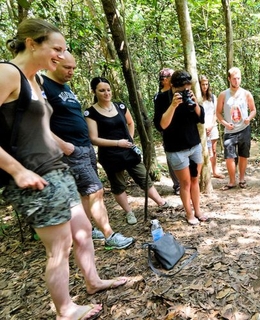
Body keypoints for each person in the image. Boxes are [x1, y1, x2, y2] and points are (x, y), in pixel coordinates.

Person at [0, 18, 126, 320]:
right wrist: (17, 171)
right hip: (33, 175)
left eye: (64, 49)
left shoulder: (38, 80)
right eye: (56, 48)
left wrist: (62, 145)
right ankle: (65, 309)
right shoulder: (7, 73)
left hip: (57, 167)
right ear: (32, 44)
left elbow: (38, 126)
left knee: (83, 232)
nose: (60, 55)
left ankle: (93, 281)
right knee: (60, 246)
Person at [43, 51, 134, 249]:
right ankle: (109, 236)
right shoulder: (43, 85)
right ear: (53, 63)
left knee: (86, 193)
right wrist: (64, 146)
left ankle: (87, 229)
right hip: (71, 150)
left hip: (84, 148)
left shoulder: (64, 87)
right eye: (67, 67)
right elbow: (36, 123)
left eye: (73, 68)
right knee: (96, 191)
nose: (71, 72)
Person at [85, 77, 170, 225]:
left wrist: (129, 139)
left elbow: (130, 123)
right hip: (110, 155)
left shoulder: (120, 106)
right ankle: (129, 212)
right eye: (102, 90)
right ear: (94, 92)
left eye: (108, 90)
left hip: (129, 151)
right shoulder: (90, 113)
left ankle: (161, 202)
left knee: (143, 177)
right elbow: (94, 138)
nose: (106, 93)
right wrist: (118, 143)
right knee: (118, 185)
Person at [153, 70, 206, 225]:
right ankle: (188, 213)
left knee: (195, 180)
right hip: (176, 149)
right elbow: (161, 125)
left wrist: (195, 102)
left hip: (194, 145)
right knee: (185, 183)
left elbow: (201, 118)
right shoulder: (162, 99)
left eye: (187, 88)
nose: (184, 92)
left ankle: (198, 210)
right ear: (173, 86)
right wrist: (173, 105)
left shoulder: (190, 94)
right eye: (181, 89)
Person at [216, 67, 256, 190]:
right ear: (229, 79)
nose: (236, 81)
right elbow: (218, 113)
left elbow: (253, 110)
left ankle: (242, 179)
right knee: (229, 156)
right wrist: (225, 124)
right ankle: (232, 181)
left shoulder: (246, 93)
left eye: (238, 78)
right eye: (234, 79)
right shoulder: (223, 95)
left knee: (243, 154)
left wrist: (249, 118)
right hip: (230, 131)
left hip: (244, 128)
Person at [156, 68, 180, 195]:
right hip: (168, 133)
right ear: (165, 80)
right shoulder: (159, 97)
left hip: (182, 130)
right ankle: (177, 184)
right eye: (171, 76)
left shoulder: (177, 91)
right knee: (171, 158)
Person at [199, 74, 225, 179]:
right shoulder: (197, 98)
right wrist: (204, 127)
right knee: (201, 150)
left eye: (206, 84)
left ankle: (215, 171)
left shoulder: (213, 98)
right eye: (202, 84)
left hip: (212, 127)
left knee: (213, 150)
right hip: (201, 128)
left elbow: (216, 113)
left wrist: (211, 126)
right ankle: (203, 172)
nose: (205, 86)